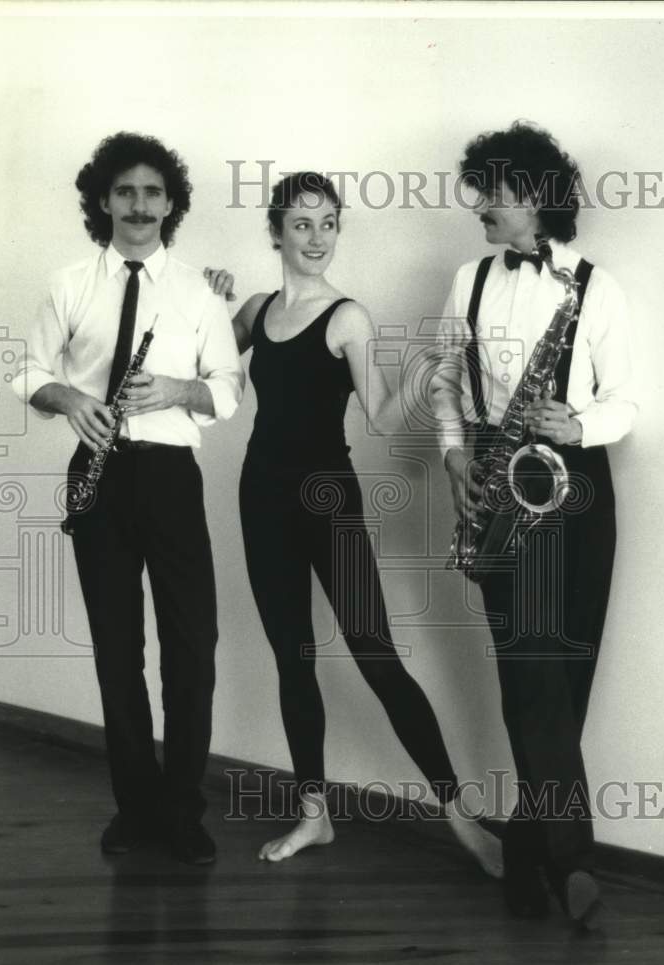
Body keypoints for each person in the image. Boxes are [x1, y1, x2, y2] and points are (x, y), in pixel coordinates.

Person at [205, 172, 503, 873]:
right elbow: (204, 368)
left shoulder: (348, 317)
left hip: (328, 499)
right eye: (302, 224)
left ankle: (461, 816)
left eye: (329, 223)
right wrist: (206, 303)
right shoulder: (256, 310)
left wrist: (427, 373)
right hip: (261, 496)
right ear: (275, 232)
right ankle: (316, 815)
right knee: (293, 658)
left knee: (374, 652)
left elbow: (380, 415)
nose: (317, 238)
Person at [12, 132, 244, 865]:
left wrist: (179, 389)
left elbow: (230, 391)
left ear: (169, 203)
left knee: (192, 648)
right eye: (125, 192)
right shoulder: (71, 283)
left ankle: (182, 810)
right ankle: (135, 808)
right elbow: (27, 371)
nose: (139, 206)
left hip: (172, 474)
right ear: (103, 200)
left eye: (152, 193)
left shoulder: (199, 292)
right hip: (98, 473)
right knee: (117, 649)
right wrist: (66, 398)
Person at [432, 122, 638, 926]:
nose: (480, 205)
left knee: (564, 677)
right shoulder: (468, 280)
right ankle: (574, 863)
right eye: (480, 187)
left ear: (538, 200)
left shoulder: (600, 287)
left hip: (573, 483)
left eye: (496, 192)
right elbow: (447, 380)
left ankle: (526, 851)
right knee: (531, 675)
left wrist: (576, 424)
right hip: (494, 476)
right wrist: (453, 455)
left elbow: (626, 400)